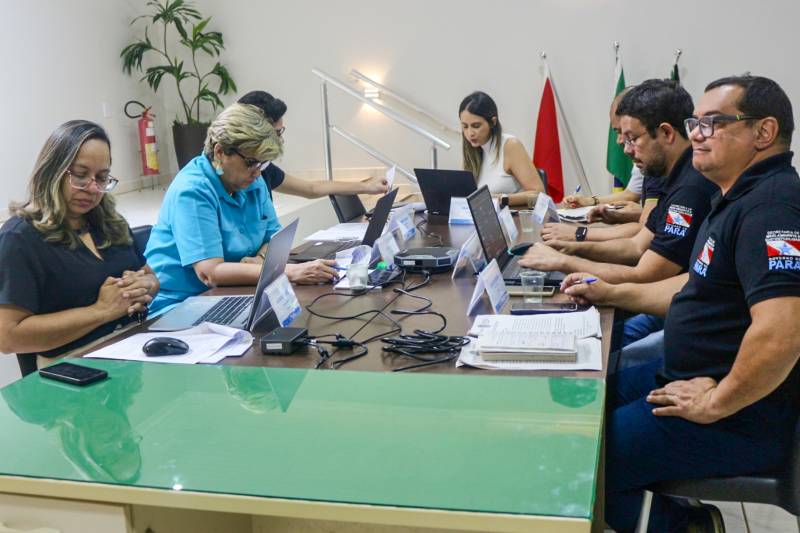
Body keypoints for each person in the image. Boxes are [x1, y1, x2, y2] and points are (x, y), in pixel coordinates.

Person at [563, 75, 800, 532]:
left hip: (737, 415)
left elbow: (783, 332)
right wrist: (608, 291)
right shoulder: (735, 195)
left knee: (582, 457)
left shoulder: (771, 208)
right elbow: (694, 286)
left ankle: (682, 526)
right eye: (695, 123)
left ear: (764, 132)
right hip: (686, 376)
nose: (697, 134)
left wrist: (715, 403)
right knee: (580, 403)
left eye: (713, 123)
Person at [520, 79, 718, 349]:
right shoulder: (674, 177)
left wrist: (564, 261)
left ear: (666, 133)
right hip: (669, 307)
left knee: (595, 351)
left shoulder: (690, 189)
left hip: (679, 318)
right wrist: (571, 247)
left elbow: (646, 274)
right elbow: (636, 246)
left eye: (632, 138)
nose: (625, 149)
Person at [145, 103, 337, 315]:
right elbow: (210, 273)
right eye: (251, 163)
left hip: (232, 293)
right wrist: (289, 271)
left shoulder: (251, 180)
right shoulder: (192, 191)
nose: (257, 173)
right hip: (181, 304)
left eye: (263, 164)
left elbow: (275, 240)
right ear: (220, 152)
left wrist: (260, 260)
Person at [0, 120, 159, 371]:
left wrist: (144, 286)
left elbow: (150, 277)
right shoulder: (19, 238)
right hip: (70, 372)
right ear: (53, 171)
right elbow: (8, 337)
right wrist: (101, 311)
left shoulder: (109, 222)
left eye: (102, 178)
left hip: (133, 354)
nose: (92, 188)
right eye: (80, 175)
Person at [543, 88, 665, 243]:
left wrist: (579, 234)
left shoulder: (656, 163)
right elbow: (635, 199)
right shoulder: (650, 161)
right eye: (618, 132)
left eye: (628, 134)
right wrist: (591, 202)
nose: (620, 141)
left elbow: (642, 236)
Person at [238, 90, 389, 199]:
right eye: (277, 133)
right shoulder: (229, 181)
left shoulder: (264, 169)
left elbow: (312, 189)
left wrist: (366, 186)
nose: (281, 140)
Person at [459, 91, 544, 207]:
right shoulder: (471, 150)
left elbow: (539, 194)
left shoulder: (510, 145)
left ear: (493, 122)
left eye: (476, 126)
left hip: (514, 216)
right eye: (465, 126)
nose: (470, 133)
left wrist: (501, 199)